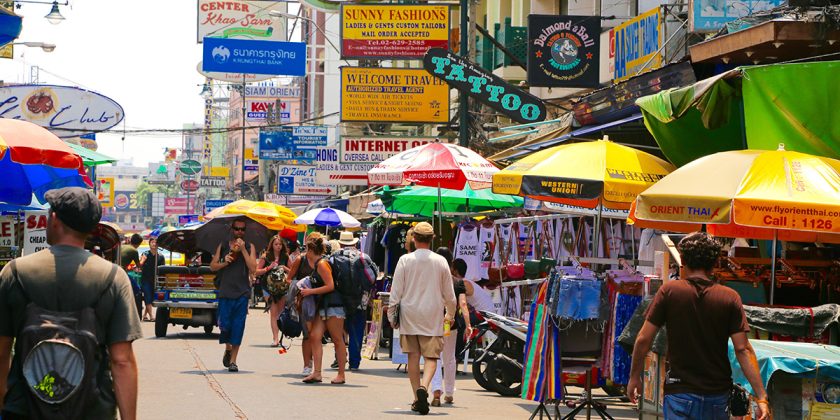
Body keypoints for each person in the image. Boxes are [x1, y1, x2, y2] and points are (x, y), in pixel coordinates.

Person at [0, 187, 142, 419]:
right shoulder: (113, 278)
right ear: (91, 227)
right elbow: (122, 360)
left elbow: (2, 351)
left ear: (54, 219)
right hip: (91, 411)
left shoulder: (14, 273)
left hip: (24, 410)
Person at [627, 232, 769, 420]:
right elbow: (743, 349)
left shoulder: (669, 291)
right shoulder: (729, 297)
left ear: (683, 260)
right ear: (715, 263)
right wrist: (761, 397)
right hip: (717, 395)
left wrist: (635, 377)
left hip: (679, 392)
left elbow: (643, 338)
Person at [389, 222, 457, 415]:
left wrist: (391, 314)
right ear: (432, 239)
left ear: (414, 238)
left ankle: (415, 396)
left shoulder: (404, 260)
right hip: (432, 314)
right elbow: (449, 295)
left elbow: (396, 292)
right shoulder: (441, 261)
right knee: (431, 357)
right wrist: (450, 314)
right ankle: (424, 388)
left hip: (409, 314)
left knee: (413, 356)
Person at [296, 233, 348, 385]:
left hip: (334, 306)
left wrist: (309, 292)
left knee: (337, 340)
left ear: (312, 250)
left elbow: (330, 286)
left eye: (306, 249)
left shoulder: (322, 264)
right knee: (314, 336)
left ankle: (341, 374)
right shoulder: (318, 263)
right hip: (324, 306)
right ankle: (317, 373)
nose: (305, 252)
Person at [210, 218, 257, 373]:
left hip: (242, 293)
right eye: (237, 229)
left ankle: (233, 361)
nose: (239, 232)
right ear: (232, 229)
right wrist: (225, 261)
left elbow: (253, 268)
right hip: (225, 292)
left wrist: (243, 250)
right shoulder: (223, 245)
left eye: (242, 229)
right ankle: (228, 348)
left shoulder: (250, 247)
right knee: (225, 326)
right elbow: (213, 267)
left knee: (238, 326)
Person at [287, 236, 316, 377]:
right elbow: (289, 279)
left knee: (316, 335)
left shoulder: (323, 261)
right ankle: (307, 364)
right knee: (307, 334)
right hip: (303, 302)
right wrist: (300, 286)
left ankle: (315, 365)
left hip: (319, 301)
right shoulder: (301, 260)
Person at [254, 235, 290, 347]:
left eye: (280, 244)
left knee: (280, 312)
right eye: (276, 244)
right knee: (274, 312)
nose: (278, 246)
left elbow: (293, 271)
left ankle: (279, 336)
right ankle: (275, 338)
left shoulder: (285, 256)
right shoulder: (266, 256)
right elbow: (256, 271)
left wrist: (285, 268)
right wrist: (268, 268)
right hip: (268, 288)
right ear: (272, 245)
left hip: (282, 288)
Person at [138, 237, 165, 322]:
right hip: (146, 279)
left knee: (151, 298)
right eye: (152, 242)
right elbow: (140, 265)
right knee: (147, 296)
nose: (154, 244)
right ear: (149, 244)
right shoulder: (145, 254)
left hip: (156, 280)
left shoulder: (161, 256)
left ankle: (145, 315)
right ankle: (151, 316)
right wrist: (142, 260)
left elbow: (163, 270)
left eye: (156, 242)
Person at [121, 233, 143, 318]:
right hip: (121, 273)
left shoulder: (123, 246)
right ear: (139, 244)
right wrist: (143, 259)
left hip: (115, 270)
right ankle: (135, 311)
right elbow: (139, 266)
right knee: (137, 289)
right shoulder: (134, 250)